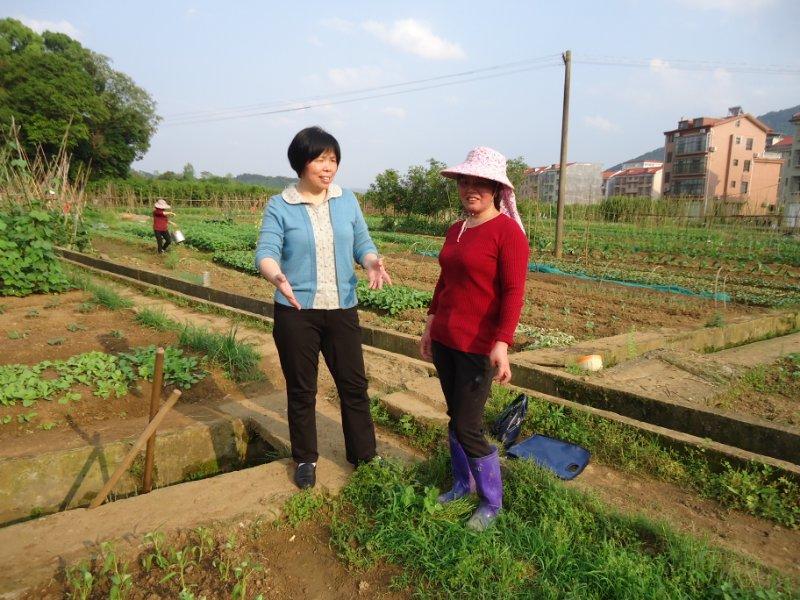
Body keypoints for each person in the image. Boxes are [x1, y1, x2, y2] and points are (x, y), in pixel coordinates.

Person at [255, 126, 392, 489]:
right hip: (296, 311)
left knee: (354, 385)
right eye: (320, 159)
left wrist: (371, 261)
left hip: (342, 307)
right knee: (302, 389)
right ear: (302, 162)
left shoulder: (347, 200)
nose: (328, 167)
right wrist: (277, 277)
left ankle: (365, 455)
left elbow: (362, 241)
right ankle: (305, 459)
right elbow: (266, 251)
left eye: (333, 159)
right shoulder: (280, 205)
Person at [419, 146, 529, 531]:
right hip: (447, 338)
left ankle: (491, 502)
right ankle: (462, 483)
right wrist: (431, 322)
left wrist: (502, 343)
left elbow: (514, 292)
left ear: (497, 188)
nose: (470, 188)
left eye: (480, 182)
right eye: (465, 180)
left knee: (468, 425)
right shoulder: (457, 229)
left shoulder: (508, 233)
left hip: (477, 345)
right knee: (456, 417)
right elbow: (444, 279)